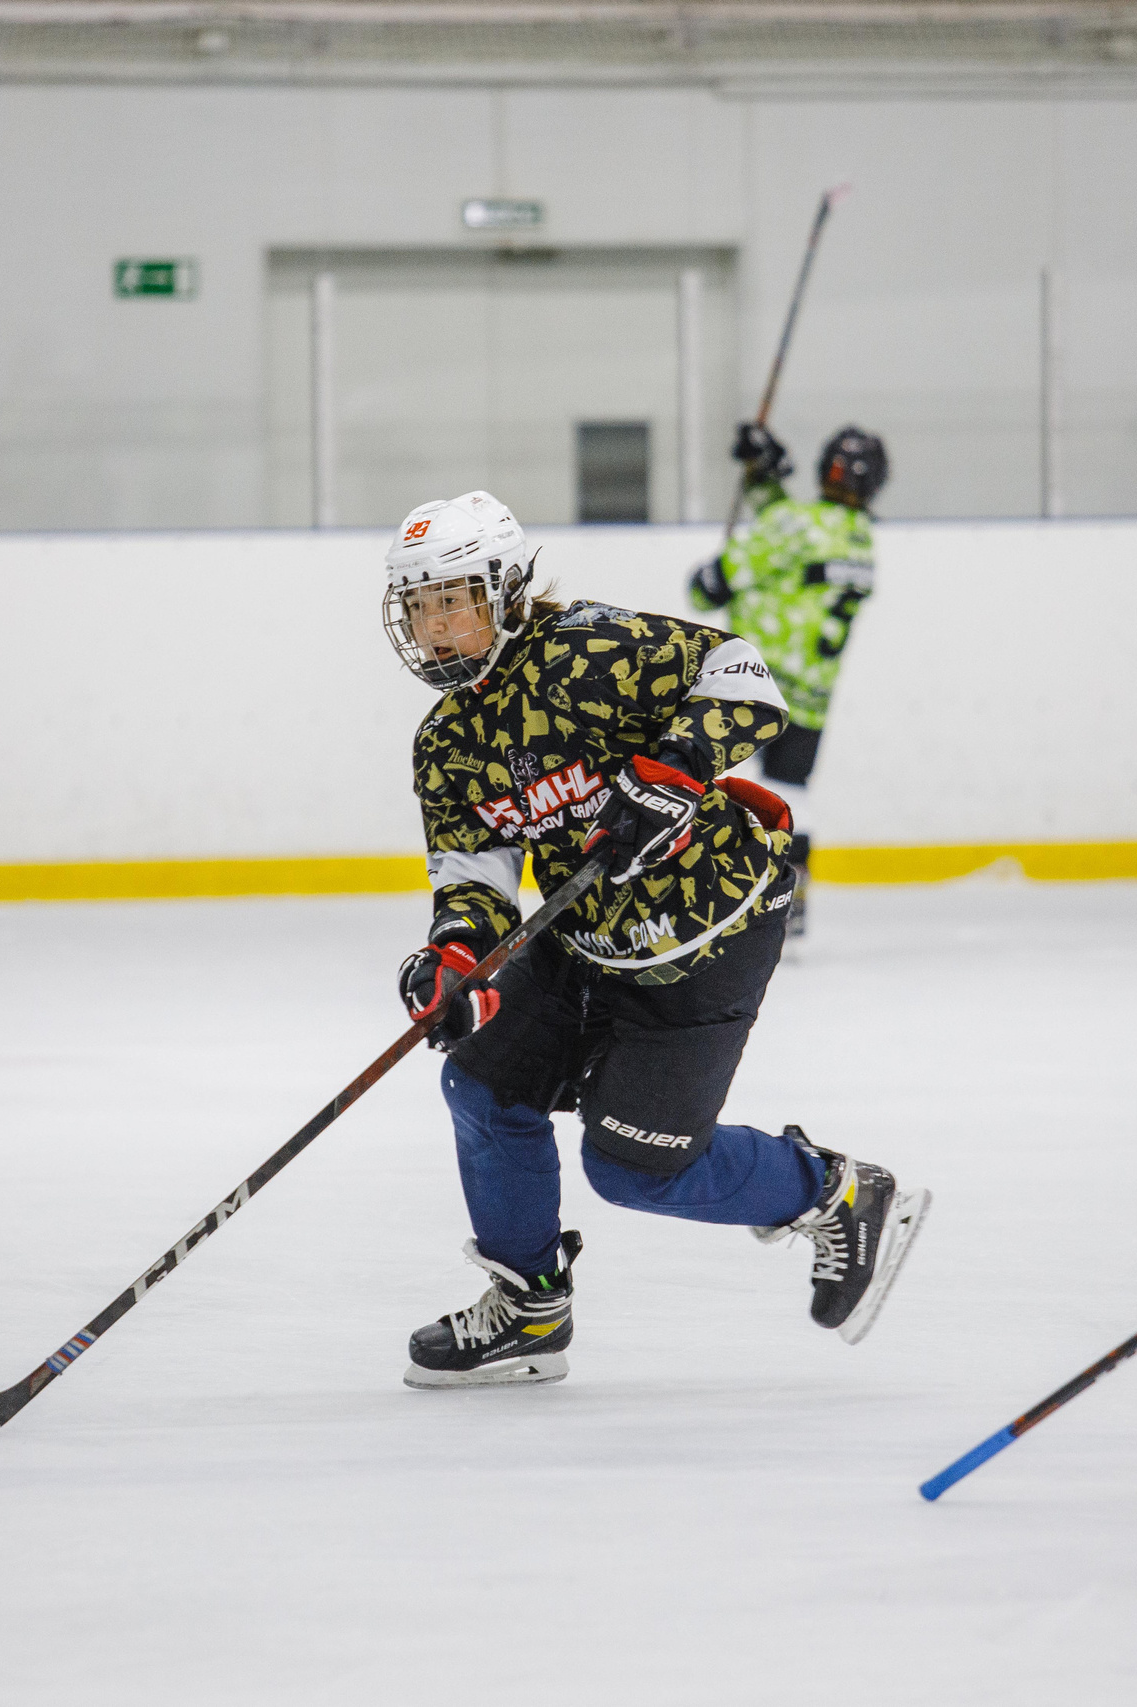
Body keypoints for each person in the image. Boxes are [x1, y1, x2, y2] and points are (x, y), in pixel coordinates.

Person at [384, 489, 929, 1390]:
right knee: (481, 1079)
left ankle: (833, 1189)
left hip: (706, 930)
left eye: (453, 600)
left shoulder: (591, 649)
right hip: (587, 936)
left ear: (507, 590)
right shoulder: (445, 743)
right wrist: (456, 960)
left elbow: (749, 683)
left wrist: (671, 771)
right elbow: (475, 878)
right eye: (420, 607)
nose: (435, 627)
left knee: (634, 1167)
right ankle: (529, 1306)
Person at [684, 422, 886, 934]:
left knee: (707, 781)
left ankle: (704, 889)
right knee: (789, 793)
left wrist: (761, 474)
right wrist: (764, 475)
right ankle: (790, 899)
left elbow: (708, 590)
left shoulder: (793, 527)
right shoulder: (861, 542)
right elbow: (793, 528)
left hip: (751, 685)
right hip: (811, 696)